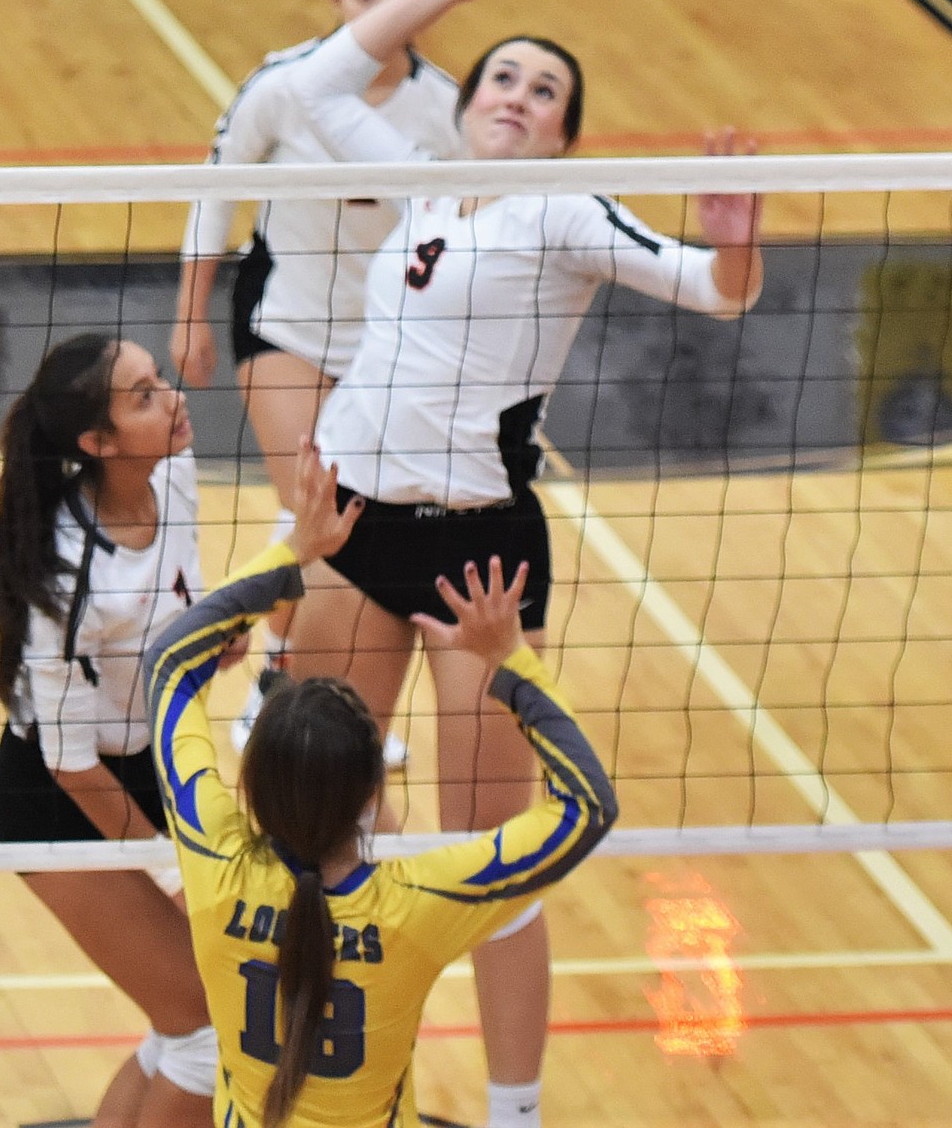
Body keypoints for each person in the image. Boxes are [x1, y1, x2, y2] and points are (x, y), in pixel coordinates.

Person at [279, 0, 764, 1128]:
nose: (519, 95)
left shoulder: (563, 213)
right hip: (351, 532)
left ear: (562, 130)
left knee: (492, 854)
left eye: (545, 89)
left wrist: (739, 244)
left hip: (474, 557)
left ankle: (515, 1114)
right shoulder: (420, 182)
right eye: (503, 73)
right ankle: (309, 1081)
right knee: (311, 821)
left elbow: (711, 288)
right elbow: (314, 81)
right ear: (470, 97)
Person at [142, 441, 617, 1128]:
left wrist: (292, 553)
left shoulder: (213, 858)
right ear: (374, 797)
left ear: (248, 789)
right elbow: (589, 805)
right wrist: (509, 660)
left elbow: (168, 664)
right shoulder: (422, 901)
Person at [170, 0, 460, 755]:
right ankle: (274, 674)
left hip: (390, 343)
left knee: (361, 518)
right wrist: (190, 313)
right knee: (316, 503)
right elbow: (214, 192)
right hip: (285, 321)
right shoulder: (285, 84)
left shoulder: (445, 108)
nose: (380, 10)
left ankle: (291, 672)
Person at [0, 333, 222, 1128]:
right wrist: (176, 872)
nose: (173, 397)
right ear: (97, 443)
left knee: (190, 1018)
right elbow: (70, 763)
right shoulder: (67, 577)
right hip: (56, 800)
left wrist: (214, 634)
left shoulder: (175, 473)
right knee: (211, 1035)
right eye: (145, 395)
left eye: (160, 380)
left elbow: (184, 596)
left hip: (149, 768)